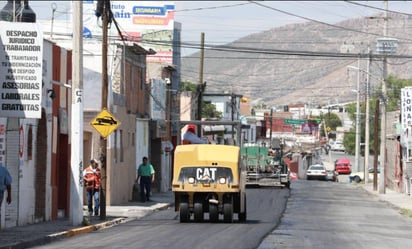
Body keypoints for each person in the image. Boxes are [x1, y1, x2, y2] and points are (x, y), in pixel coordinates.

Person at [0, 163, 12, 229]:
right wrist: (9, 196)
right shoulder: (3, 169)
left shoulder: (3, 170)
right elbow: (8, 184)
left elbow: (8, 184)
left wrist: (9, 196)